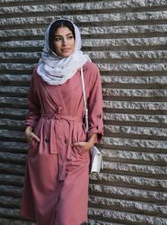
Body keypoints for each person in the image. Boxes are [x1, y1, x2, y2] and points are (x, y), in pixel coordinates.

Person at [20, 19, 103, 225]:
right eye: (58, 39)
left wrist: (91, 142)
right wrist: (29, 130)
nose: (65, 43)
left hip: (75, 144)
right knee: (46, 214)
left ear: (76, 39)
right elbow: (34, 107)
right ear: (50, 42)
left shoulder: (87, 69)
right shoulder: (40, 72)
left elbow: (96, 109)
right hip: (44, 144)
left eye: (69, 37)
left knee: (67, 218)